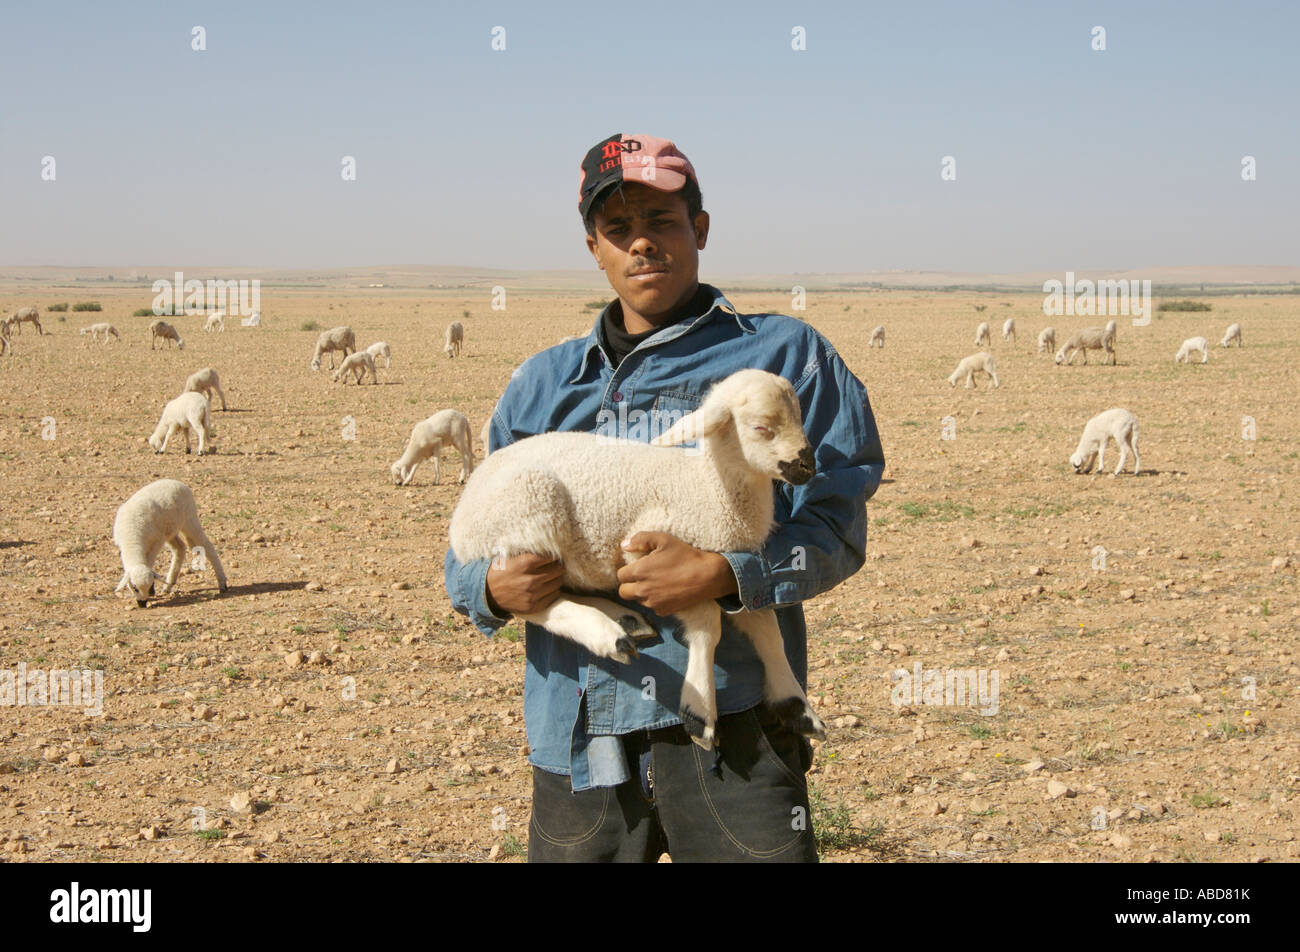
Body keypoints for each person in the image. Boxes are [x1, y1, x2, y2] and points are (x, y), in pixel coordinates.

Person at [444, 133, 885, 862]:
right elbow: (474, 537)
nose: (641, 244)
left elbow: (838, 522)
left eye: (662, 221)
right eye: (619, 229)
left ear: (700, 229)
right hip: (582, 739)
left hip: (737, 729)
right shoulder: (542, 386)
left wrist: (728, 573)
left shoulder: (786, 359)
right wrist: (488, 587)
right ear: (594, 247)